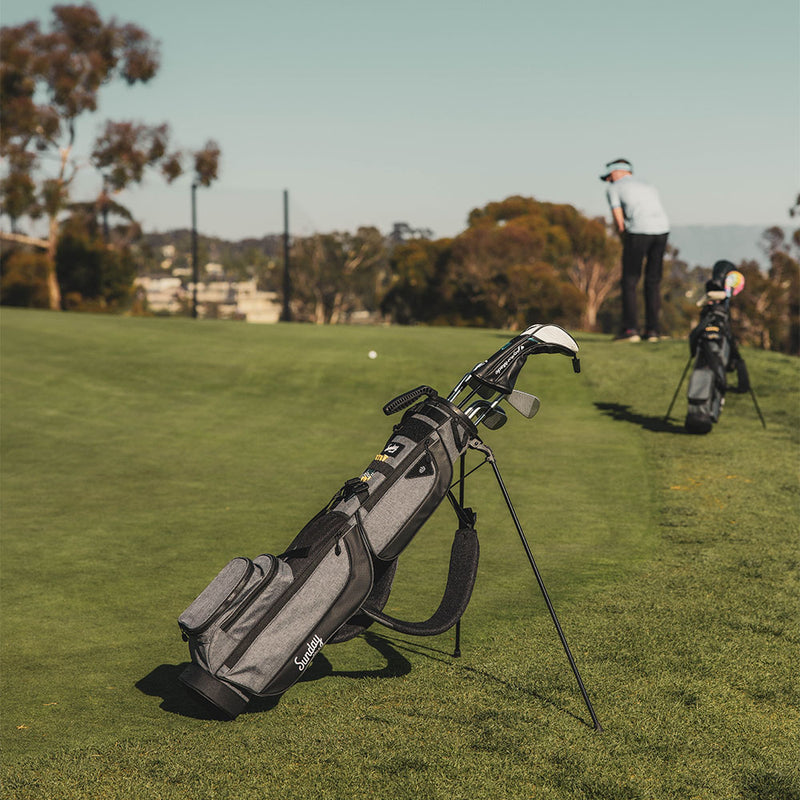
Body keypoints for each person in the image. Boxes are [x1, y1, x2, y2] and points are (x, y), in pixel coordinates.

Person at [600, 158, 670, 342]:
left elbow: (619, 220)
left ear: (616, 172)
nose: (608, 181)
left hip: (638, 232)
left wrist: (624, 237)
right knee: (653, 281)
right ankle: (653, 331)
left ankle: (631, 330)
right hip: (662, 231)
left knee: (630, 281)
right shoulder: (649, 185)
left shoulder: (614, 189)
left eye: (609, 177)